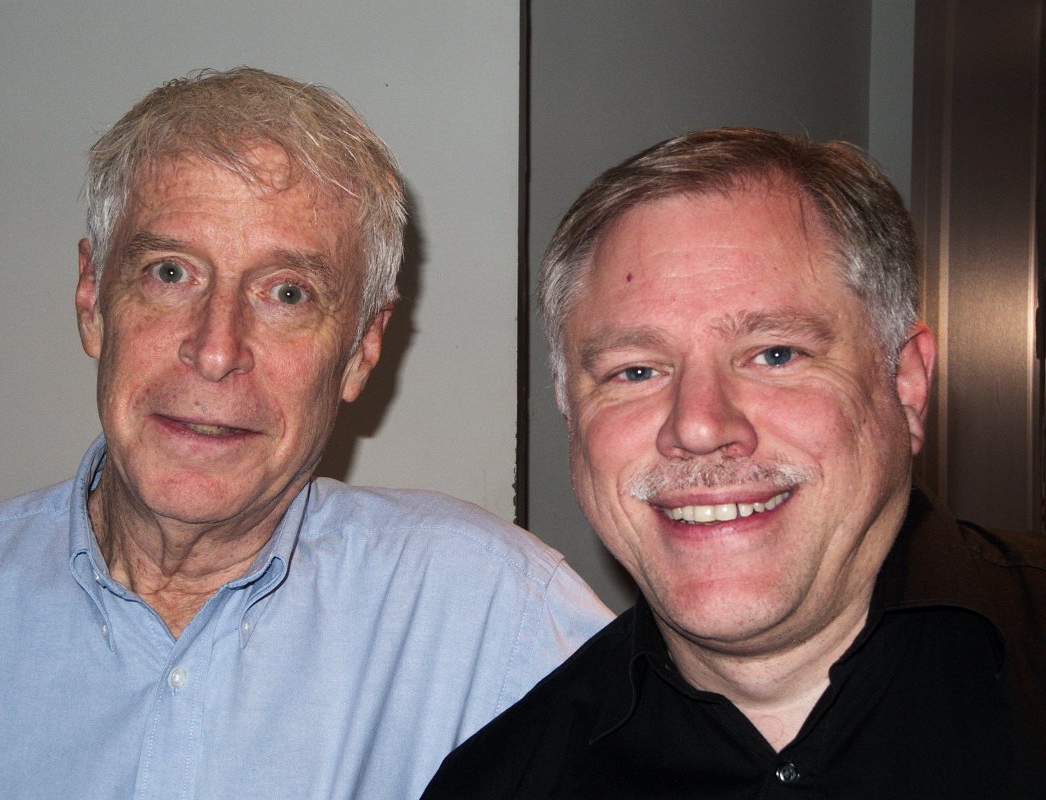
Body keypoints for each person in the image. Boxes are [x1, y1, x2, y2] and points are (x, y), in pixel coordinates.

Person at [0, 67, 611, 799]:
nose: (216, 350)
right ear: (92, 300)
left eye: (287, 293)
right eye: (169, 273)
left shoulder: (498, 619)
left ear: (362, 349)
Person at [422, 128, 1046, 798]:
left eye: (775, 354)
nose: (697, 426)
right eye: (636, 370)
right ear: (570, 415)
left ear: (906, 383)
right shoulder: (500, 781)